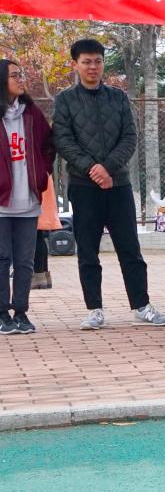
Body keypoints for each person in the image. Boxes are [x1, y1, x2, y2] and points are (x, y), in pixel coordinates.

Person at [52, 39, 165, 330]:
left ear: (103, 64)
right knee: (88, 250)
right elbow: (64, 141)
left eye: (98, 61)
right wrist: (92, 169)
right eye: (87, 62)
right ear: (75, 65)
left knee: (130, 248)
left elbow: (129, 137)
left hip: (119, 185)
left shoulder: (118, 97)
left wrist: (107, 168)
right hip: (83, 186)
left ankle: (141, 305)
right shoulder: (64, 100)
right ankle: (94, 309)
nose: (93, 67)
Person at [0, 59, 55, 334]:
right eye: (15, 75)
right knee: (2, 259)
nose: (21, 79)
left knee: (25, 262)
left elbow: (49, 145)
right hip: (2, 204)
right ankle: (2, 314)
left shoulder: (31, 113)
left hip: (29, 201)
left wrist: (42, 172)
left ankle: (21, 312)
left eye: (21, 74)